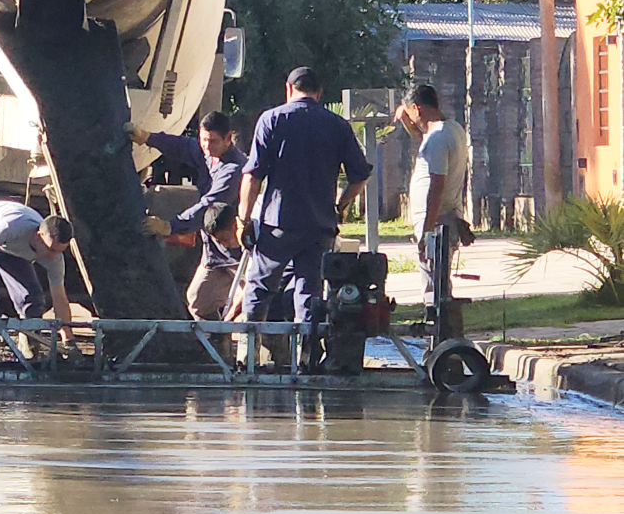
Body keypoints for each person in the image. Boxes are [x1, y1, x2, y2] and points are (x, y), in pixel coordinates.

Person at [236, 67, 372, 329]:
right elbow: (360, 176)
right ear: (319, 93)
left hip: (278, 224)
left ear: (288, 89)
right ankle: (307, 357)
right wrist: (339, 207)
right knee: (310, 295)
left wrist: (243, 219)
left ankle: (248, 352)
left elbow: (252, 176)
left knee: (259, 288)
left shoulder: (271, 120)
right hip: (319, 226)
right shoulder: (337, 125)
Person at [128, 110, 248, 319]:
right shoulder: (206, 151)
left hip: (240, 253)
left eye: (213, 141)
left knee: (253, 310)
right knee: (198, 302)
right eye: (203, 140)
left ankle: (275, 347)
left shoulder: (234, 169)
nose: (207, 147)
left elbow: (208, 206)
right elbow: (183, 146)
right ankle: (218, 346)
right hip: (215, 252)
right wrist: (148, 137)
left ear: (229, 138)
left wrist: (171, 226)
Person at [394, 84, 469, 301]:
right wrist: (406, 119)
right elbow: (421, 135)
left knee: (435, 285)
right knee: (438, 279)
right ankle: (440, 323)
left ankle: (439, 326)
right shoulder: (451, 129)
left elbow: (437, 187)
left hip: (438, 222)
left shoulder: (437, 138)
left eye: (410, 113)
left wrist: (427, 231)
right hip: (444, 217)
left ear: (417, 108)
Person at [0, 201, 72, 322]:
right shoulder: (8, 227)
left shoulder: (56, 258)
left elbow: (59, 299)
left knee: (32, 299)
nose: (53, 257)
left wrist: (68, 337)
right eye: (51, 249)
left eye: (60, 251)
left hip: (8, 247)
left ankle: (30, 337)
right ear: (38, 236)